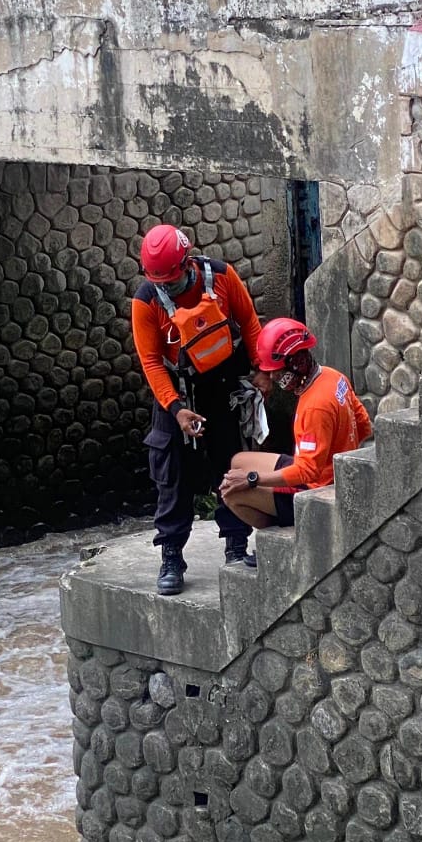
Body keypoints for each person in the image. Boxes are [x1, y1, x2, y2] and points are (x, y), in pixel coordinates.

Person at [131, 225, 262, 595]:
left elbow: (250, 324)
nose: (167, 289)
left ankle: (236, 545)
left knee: (231, 465)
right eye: (160, 282)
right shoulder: (146, 301)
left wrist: (263, 372)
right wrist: (175, 409)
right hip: (176, 392)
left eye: (172, 281)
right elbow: (152, 362)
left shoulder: (221, 276)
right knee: (171, 475)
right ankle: (171, 556)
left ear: (188, 263)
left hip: (221, 387)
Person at [218, 319, 372, 535]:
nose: (272, 377)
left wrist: (252, 479)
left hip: (316, 487)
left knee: (231, 493)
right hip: (326, 471)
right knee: (239, 461)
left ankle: (281, 540)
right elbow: (364, 423)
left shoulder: (315, 407)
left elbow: (308, 471)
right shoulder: (332, 376)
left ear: (296, 363)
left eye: (277, 371)